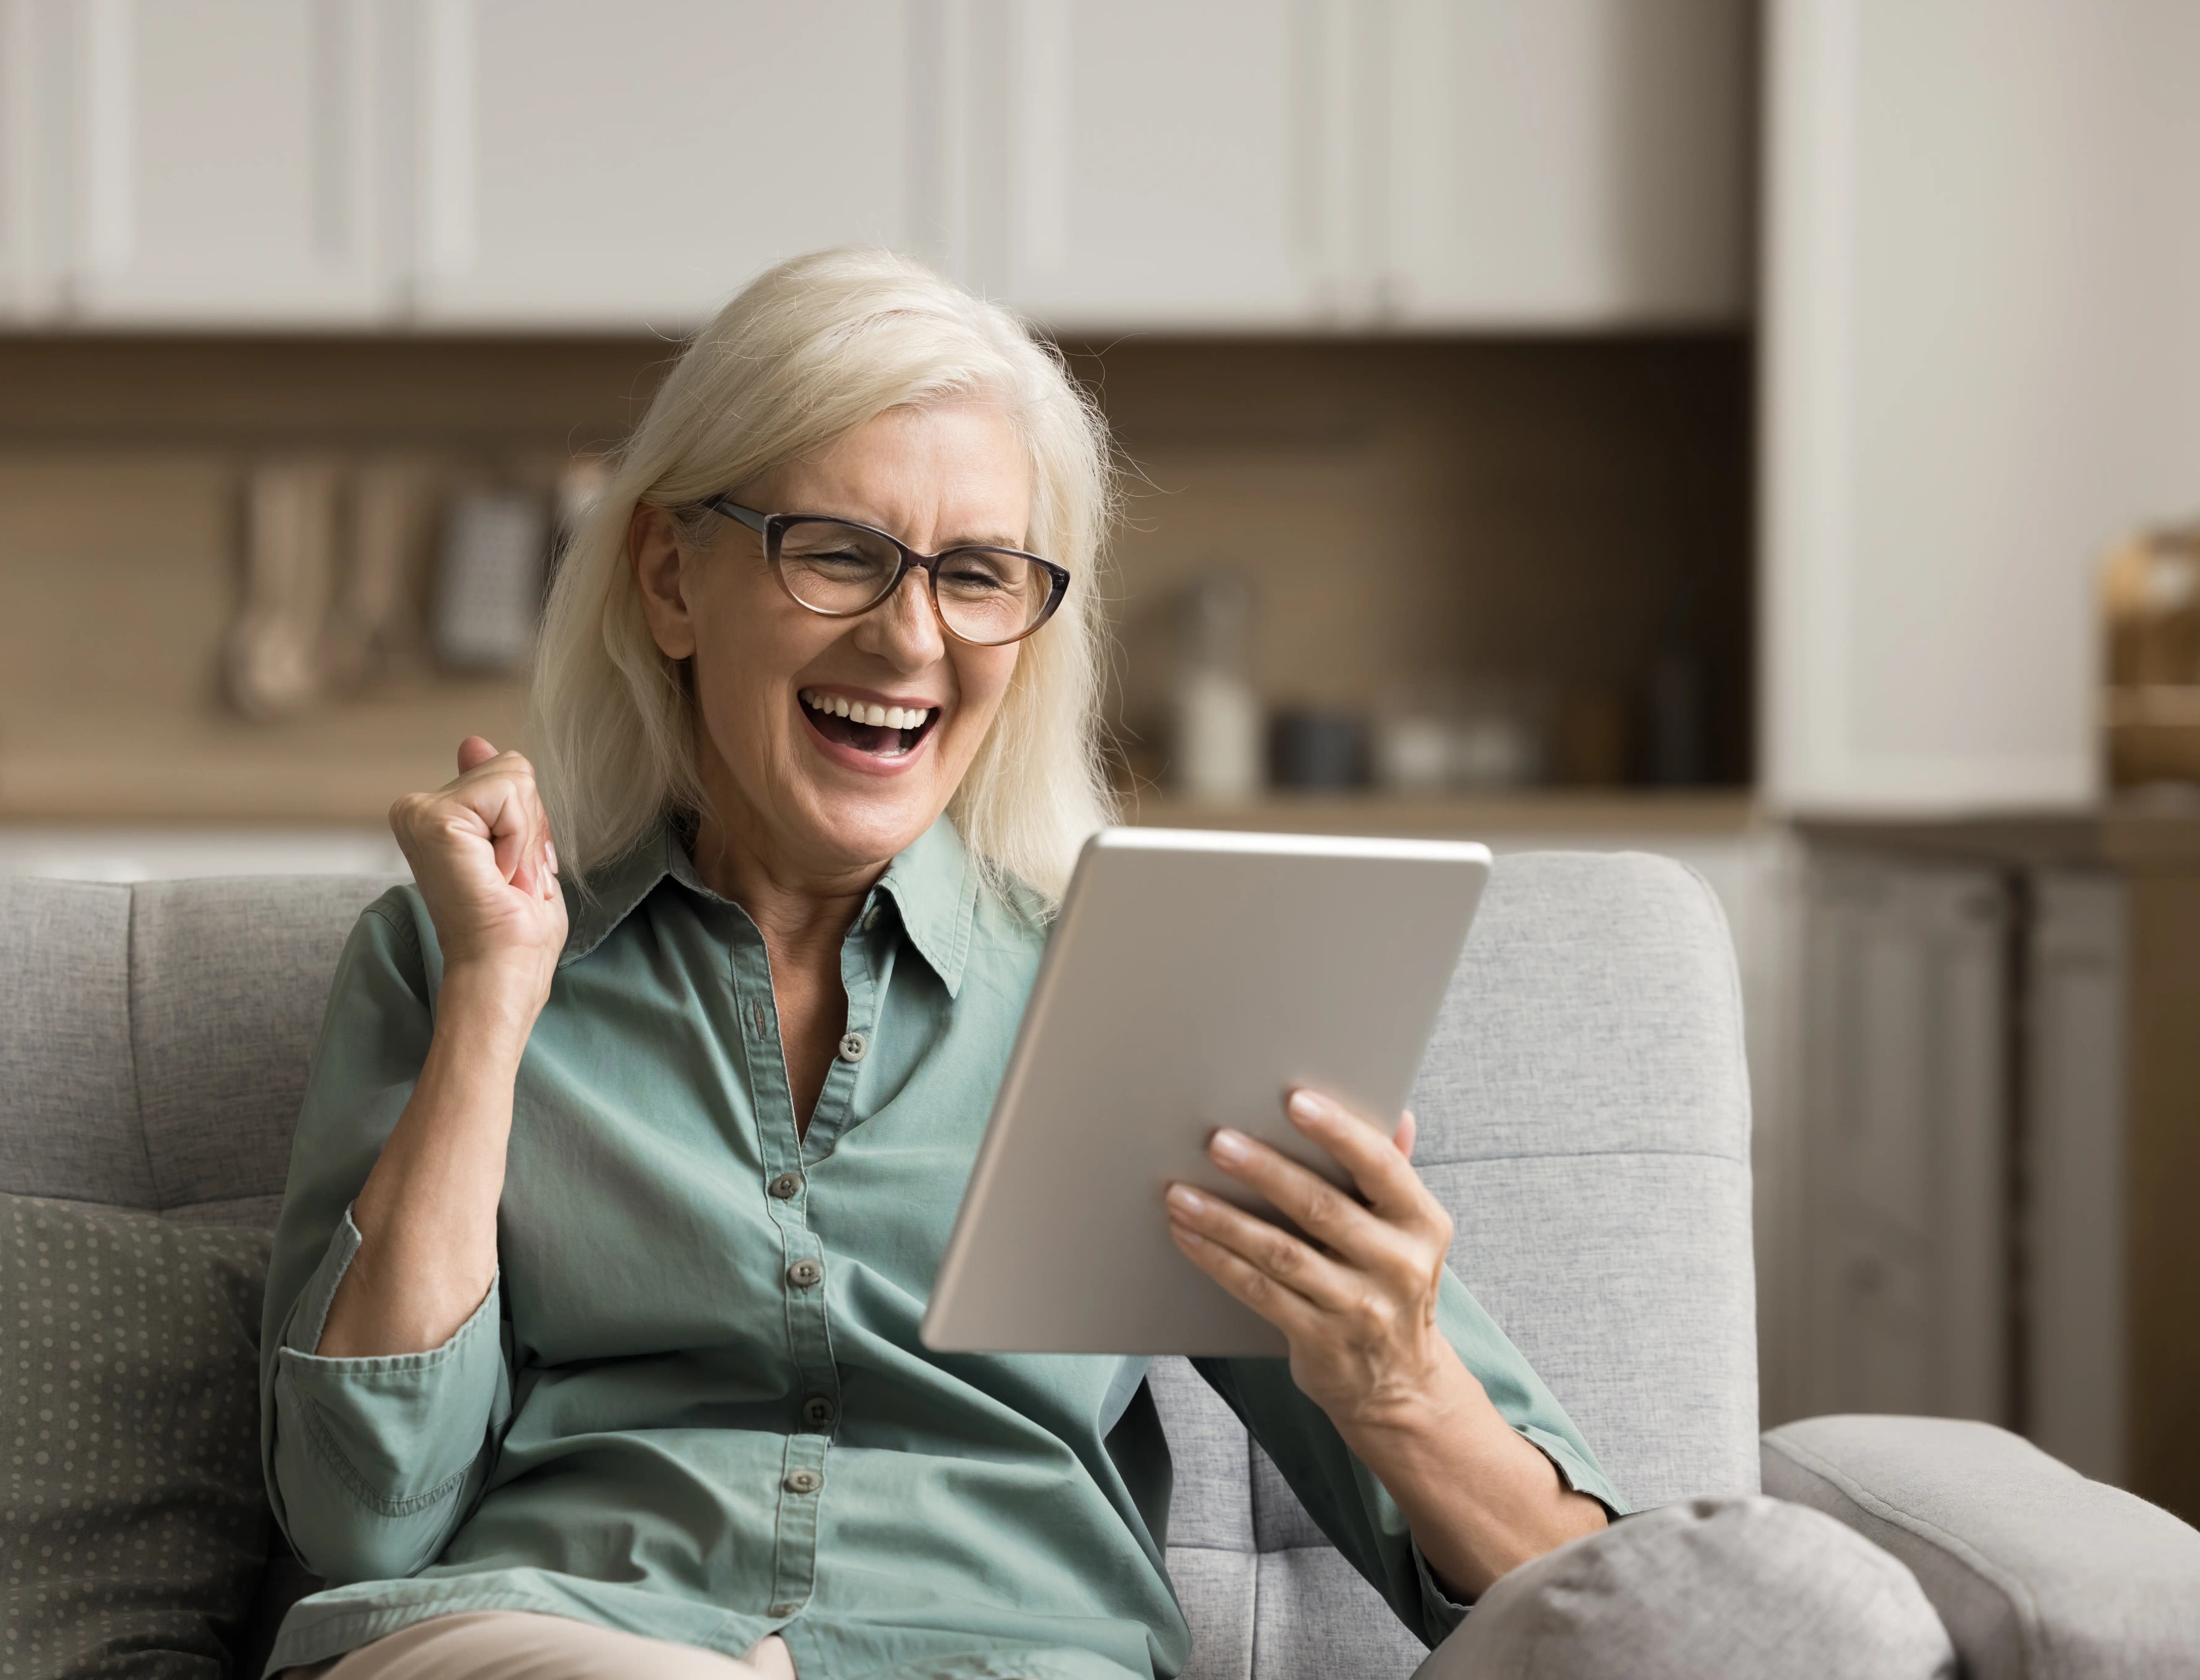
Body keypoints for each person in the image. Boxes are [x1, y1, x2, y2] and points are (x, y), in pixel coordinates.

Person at [259, 247, 1618, 1680]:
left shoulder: (1154, 991)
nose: (910, 639)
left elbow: (1581, 1599)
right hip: (563, 1642)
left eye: (979, 575)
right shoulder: (457, 952)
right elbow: (366, 1512)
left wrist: (1395, 1380)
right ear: (670, 577)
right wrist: (493, 1004)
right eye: (838, 551)